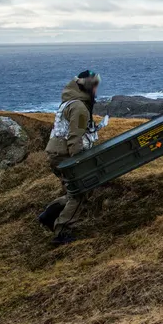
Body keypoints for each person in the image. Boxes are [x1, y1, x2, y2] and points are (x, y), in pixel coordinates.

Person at [38, 70, 102, 245]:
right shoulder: (80, 108)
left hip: (57, 154)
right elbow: (75, 138)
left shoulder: (69, 102)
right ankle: (61, 231)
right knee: (79, 194)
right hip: (65, 156)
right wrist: (78, 162)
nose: (97, 90)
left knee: (72, 192)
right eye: (95, 86)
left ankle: (48, 216)